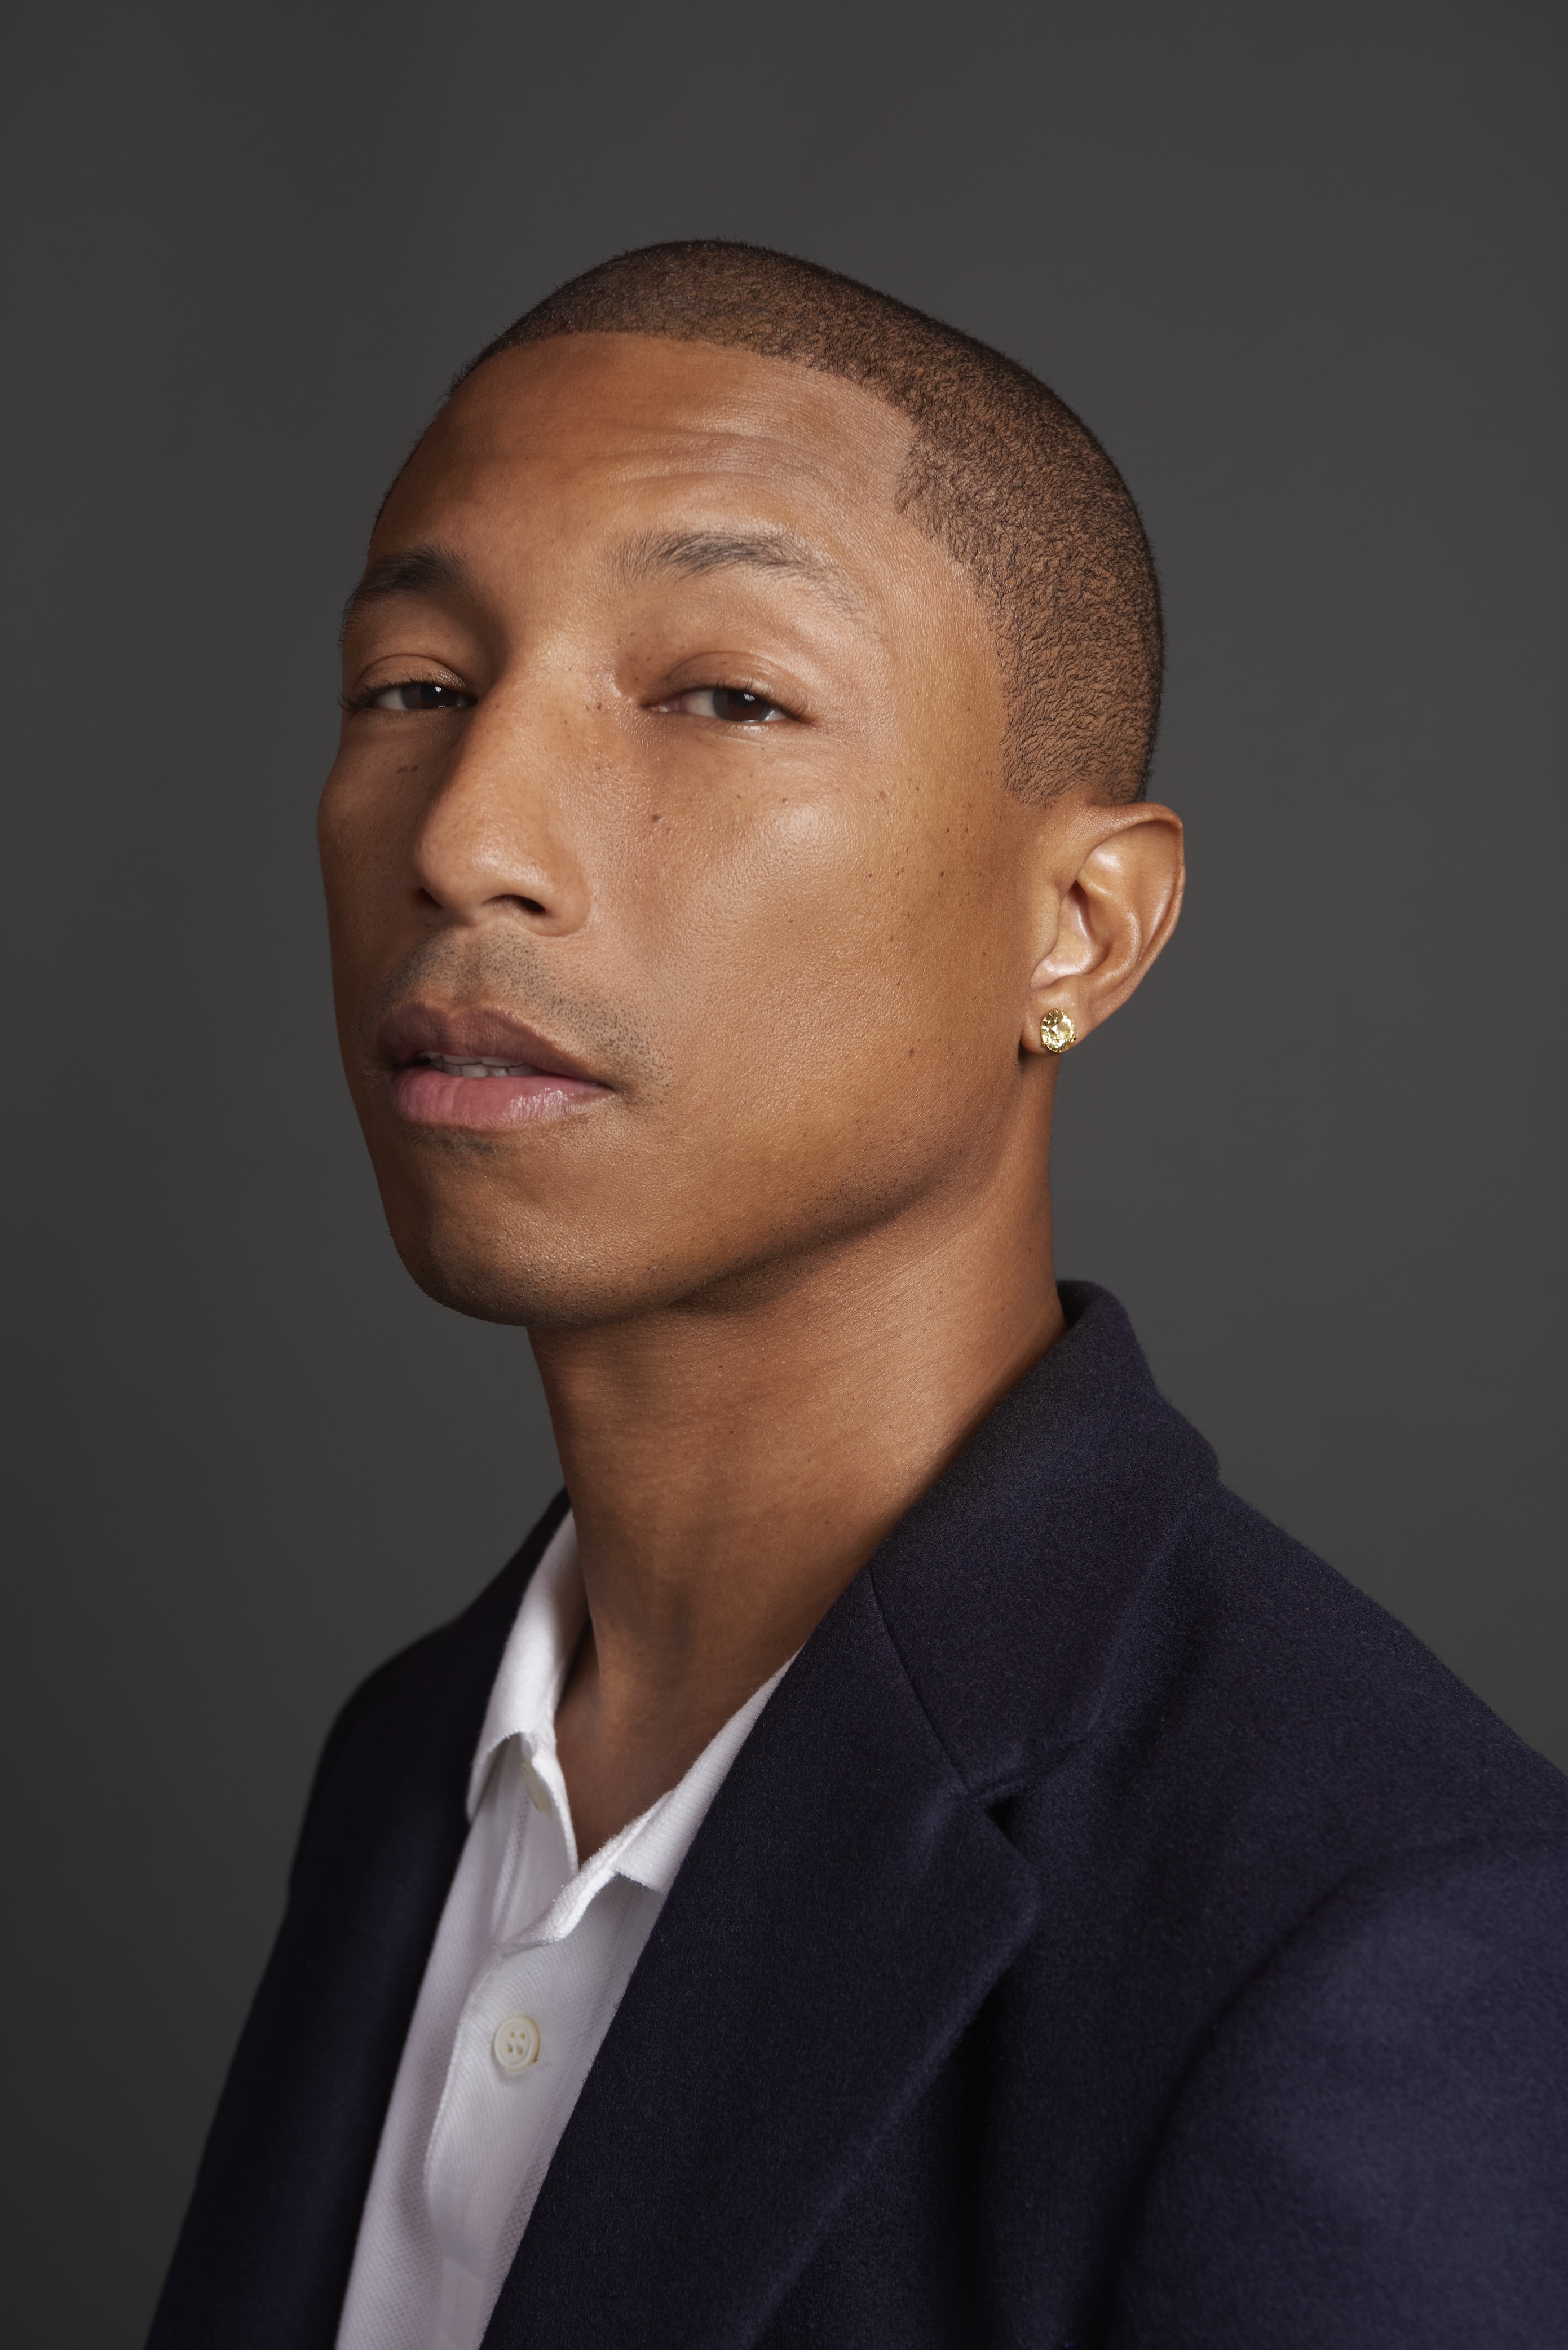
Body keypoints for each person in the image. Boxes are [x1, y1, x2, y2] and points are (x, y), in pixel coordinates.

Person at [147, 242, 1568, 2350]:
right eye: (413, 689)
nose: (468, 837)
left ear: (1082, 927)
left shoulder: (1382, 1937)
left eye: (723, 696)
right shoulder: (414, 1760)